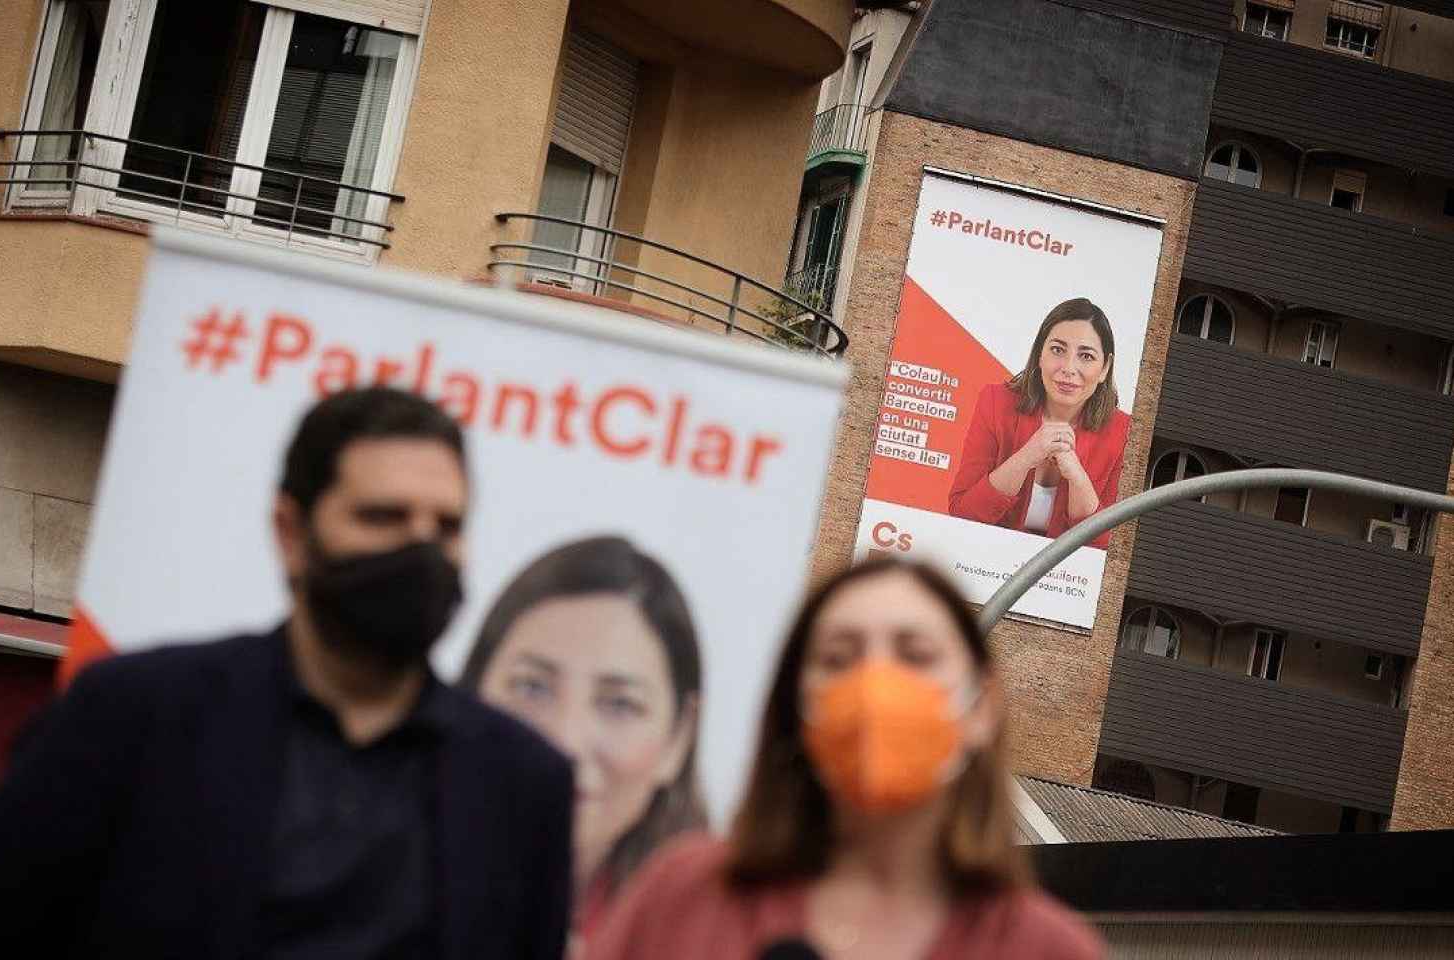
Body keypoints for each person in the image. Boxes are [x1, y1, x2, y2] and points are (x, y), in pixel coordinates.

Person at [0, 387, 573, 960]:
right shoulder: (127, 718)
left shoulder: (524, 783)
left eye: (447, 526)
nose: (421, 549)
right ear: (292, 533)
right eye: (384, 518)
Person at [585, 555, 1103, 960]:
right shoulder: (683, 898)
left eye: (915, 654)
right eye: (838, 657)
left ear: (982, 707)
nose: (873, 685)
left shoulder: (1049, 951)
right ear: (796, 705)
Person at [460, 536, 705, 943]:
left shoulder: (716, 936)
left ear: (679, 736)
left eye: (620, 704)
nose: (566, 742)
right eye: (532, 687)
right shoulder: (370, 885)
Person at [948, 298, 1131, 548]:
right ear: (1039, 355)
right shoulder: (995, 403)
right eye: (1058, 350)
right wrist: (1027, 456)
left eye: (1086, 356)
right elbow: (962, 514)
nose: (1069, 368)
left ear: (1104, 368)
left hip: (1065, 582)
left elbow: (1104, 549)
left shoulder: (1123, 433)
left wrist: (1077, 478)